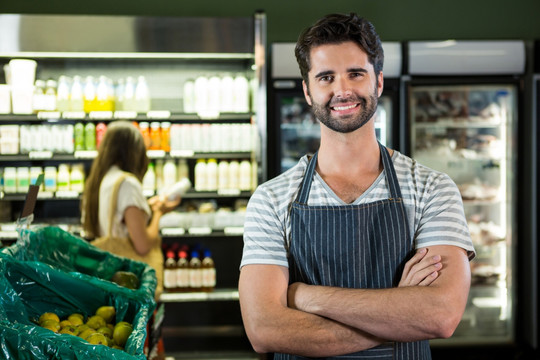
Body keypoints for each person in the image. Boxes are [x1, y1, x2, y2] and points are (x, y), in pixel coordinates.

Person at [238, 13, 475, 359]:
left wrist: (305, 296)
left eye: (355, 74)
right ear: (307, 90)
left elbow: (440, 315)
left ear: (378, 82)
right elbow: (264, 329)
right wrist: (400, 312)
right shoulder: (271, 200)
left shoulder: (432, 189)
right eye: (326, 77)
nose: (342, 90)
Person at [81, 120, 180, 297]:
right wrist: (158, 213)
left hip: (110, 276)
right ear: (134, 151)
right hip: (129, 281)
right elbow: (142, 245)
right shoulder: (127, 183)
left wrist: (148, 207)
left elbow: (118, 222)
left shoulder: (100, 181)